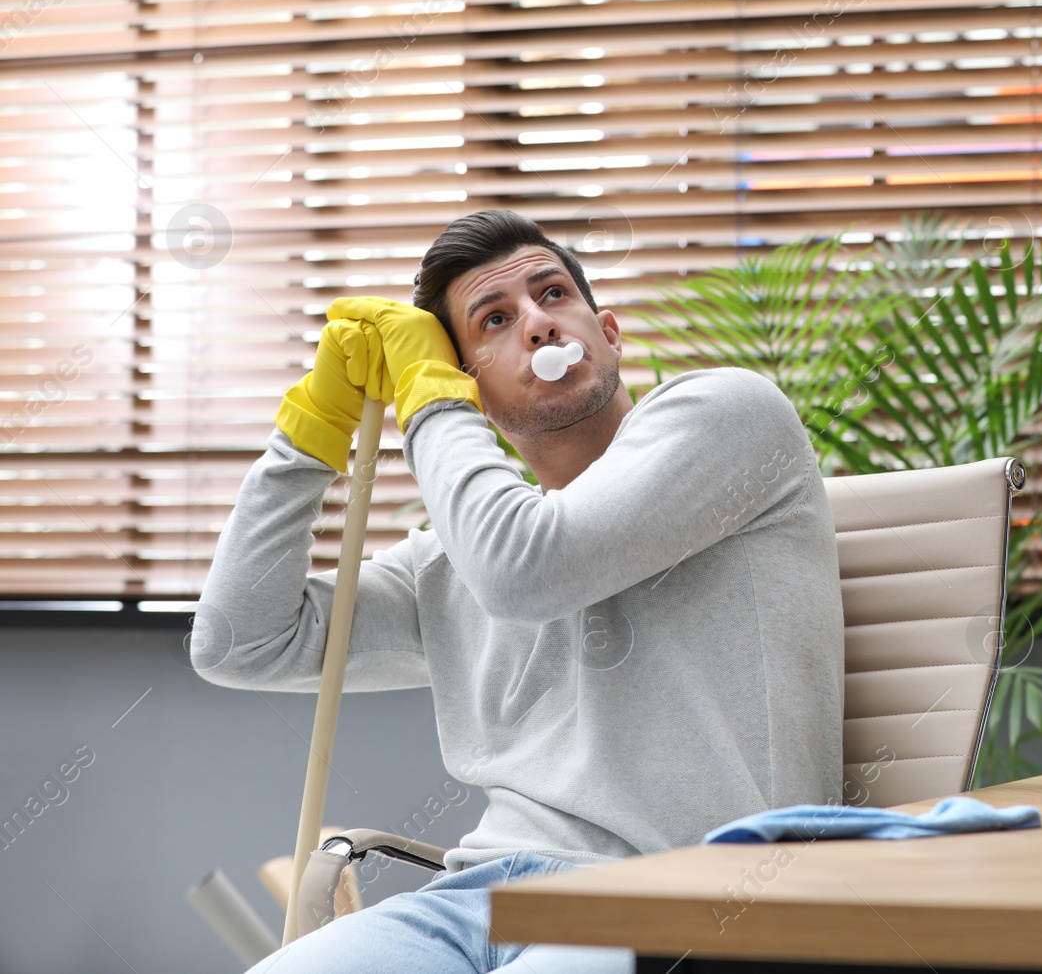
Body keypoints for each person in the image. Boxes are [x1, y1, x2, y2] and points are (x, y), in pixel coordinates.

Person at [192, 209, 845, 973]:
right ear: (473, 385)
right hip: (479, 898)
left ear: (607, 331)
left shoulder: (727, 415)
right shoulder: (455, 563)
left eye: (553, 295)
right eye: (495, 320)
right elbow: (241, 642)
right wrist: (309, 434)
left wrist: (431, 402)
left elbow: (530, 571)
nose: (537, 324)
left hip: (687, 898)